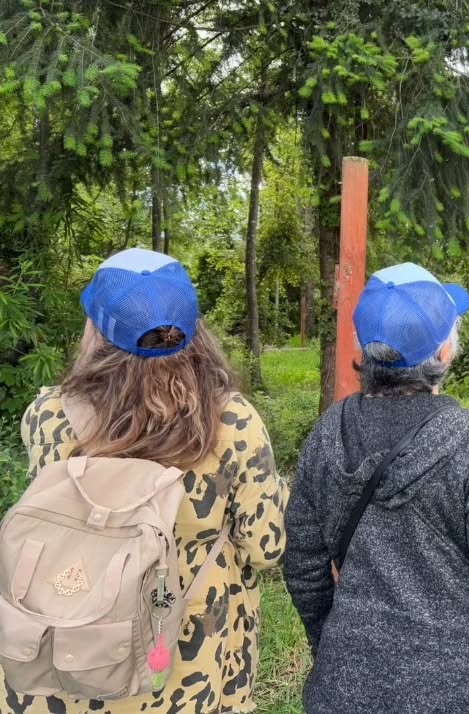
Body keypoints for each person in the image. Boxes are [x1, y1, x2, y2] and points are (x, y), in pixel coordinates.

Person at [4, 248, 288, 714]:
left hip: (67, 659)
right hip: (184, 669)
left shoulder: (47, 417)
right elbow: (265, 548)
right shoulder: (232, 423)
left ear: (95, 330)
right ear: (194, 331)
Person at [283, 263, 469, 714]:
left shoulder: (326, 433)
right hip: (467, 692)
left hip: (345, 689)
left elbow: (302, 567)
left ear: (364, 347)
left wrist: (335, 647)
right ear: (445, 351)